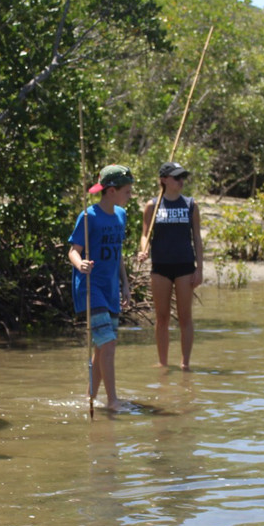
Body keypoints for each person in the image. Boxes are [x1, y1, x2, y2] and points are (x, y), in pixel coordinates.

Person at [68, 164, 133, 412]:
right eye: (127, 192)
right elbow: (73, 250)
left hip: (111, 289)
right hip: (90, 287)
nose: (130, 196)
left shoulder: (121, 216)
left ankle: (90, 398)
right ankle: (113, 400)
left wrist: (125, 284)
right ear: (111, 191)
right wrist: (80, 263)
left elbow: (118, 254)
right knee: (108, 344)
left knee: (101, 346)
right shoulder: (88, 217)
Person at [137, 161, 204, 370]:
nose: (181, 181)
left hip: (185, 265)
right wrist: (143, 249)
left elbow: (197, 237)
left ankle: (185, 363)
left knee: (185, 317)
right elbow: (145, 233)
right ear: (164, 180)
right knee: (162, 317)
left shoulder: (190, 205)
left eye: (183, 177)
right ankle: (163, 362)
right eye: (177, 177)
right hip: (160, 266)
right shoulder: (153, 205)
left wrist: (199, 268)